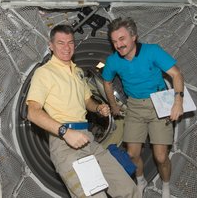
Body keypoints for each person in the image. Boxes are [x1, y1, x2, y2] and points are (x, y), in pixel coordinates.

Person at [26, 24, 139, 198]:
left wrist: (98, 108)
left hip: (89, 140)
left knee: (129, 190)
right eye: (61, 43)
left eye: (70, 42)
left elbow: (86, 100)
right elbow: (32, 112)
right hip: (65, 144)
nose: (66, 47)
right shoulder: (44, 73)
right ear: (51, 45)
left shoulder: (77, 72)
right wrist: (65, 132)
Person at [102, 17, 184, 198]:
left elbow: (176, 74)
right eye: (114, 41)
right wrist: (113, 105)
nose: (118, 45)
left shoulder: (152, 51)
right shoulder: (113, 61)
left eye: (122, 39)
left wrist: (178, 101)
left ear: (134, 37)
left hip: (159, 103)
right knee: (132, 154)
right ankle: (141, 181)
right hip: (134, 106)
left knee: (161, 157)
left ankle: (166, 185)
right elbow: (107, 82)